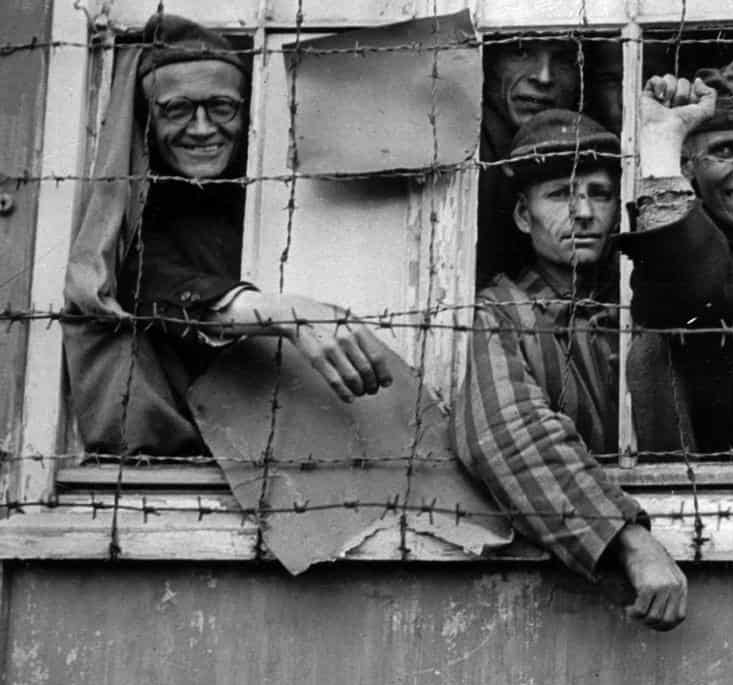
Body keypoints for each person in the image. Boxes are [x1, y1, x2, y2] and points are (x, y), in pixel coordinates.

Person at [63, 13, 392, 459]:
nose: (201, 129)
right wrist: (288, 311)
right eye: (177, 109)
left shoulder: (265, 197)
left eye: (221, 107)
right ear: (147, 122)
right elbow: (142, 277)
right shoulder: (135, 214)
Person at [456, 109, 687, 631]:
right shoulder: (497, 313)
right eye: (561, 194)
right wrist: (629, 539)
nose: (583, 212)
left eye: (600, 193)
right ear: (522, 216)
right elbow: (505, 434)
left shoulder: (639, 311)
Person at [619, 60, 733, 456]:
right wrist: (662, 139)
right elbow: (692, 281)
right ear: (687, 168)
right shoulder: (682, 251)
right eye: (724, 150)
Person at [476, 38, 580, 283]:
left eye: (564, 60)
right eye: (521, 52)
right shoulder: (470, 158)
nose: (544, 77)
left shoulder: (578, 151)